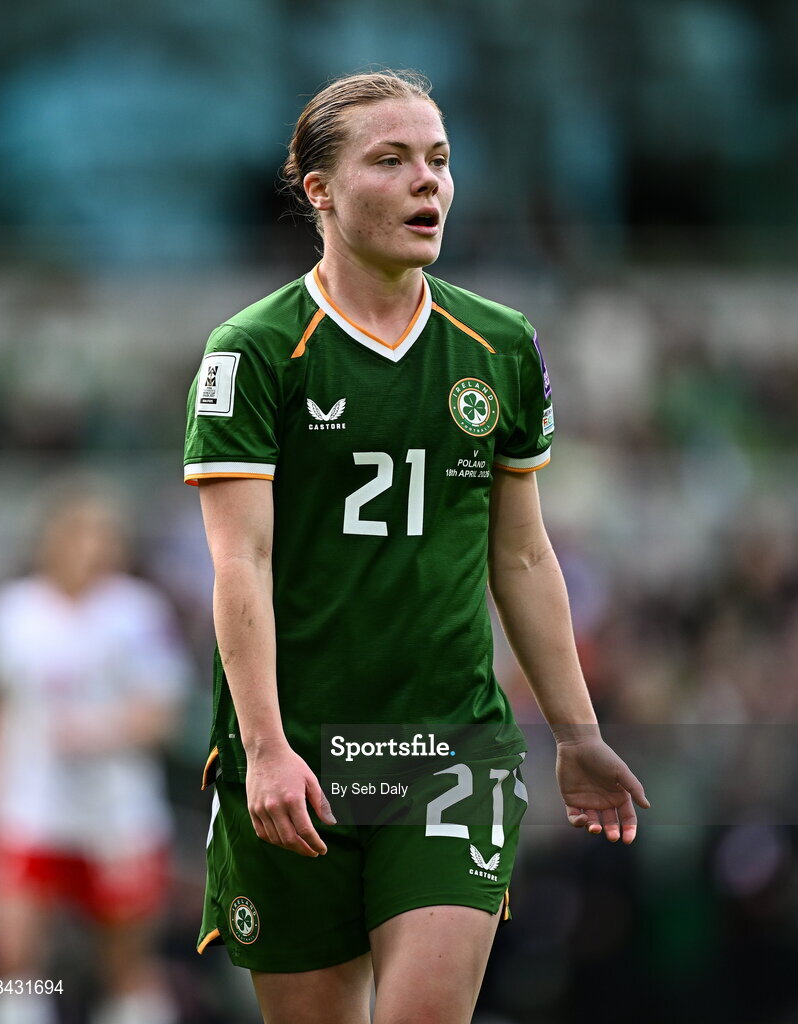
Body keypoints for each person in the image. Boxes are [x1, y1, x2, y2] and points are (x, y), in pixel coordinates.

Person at [184, 70, 649, 1024]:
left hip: (445, 749)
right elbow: (242, 565)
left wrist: (577, 732)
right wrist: (266, 747)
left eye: (438, 161)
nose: (425, 183)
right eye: (390, 161)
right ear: (319, 189)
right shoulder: (254, 350)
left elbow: (520, 557)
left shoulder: (500, 344)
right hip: (297, 758)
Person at [0, 480, 191, 1024]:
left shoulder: (137, 613)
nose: (94, 547)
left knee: (123, 968)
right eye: (82, 533)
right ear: (52, 538)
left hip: (118, 818)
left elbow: (163, 713)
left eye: (105, 535)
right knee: (14, 963)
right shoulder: (14, 610)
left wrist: (100, 731)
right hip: (32, 810)